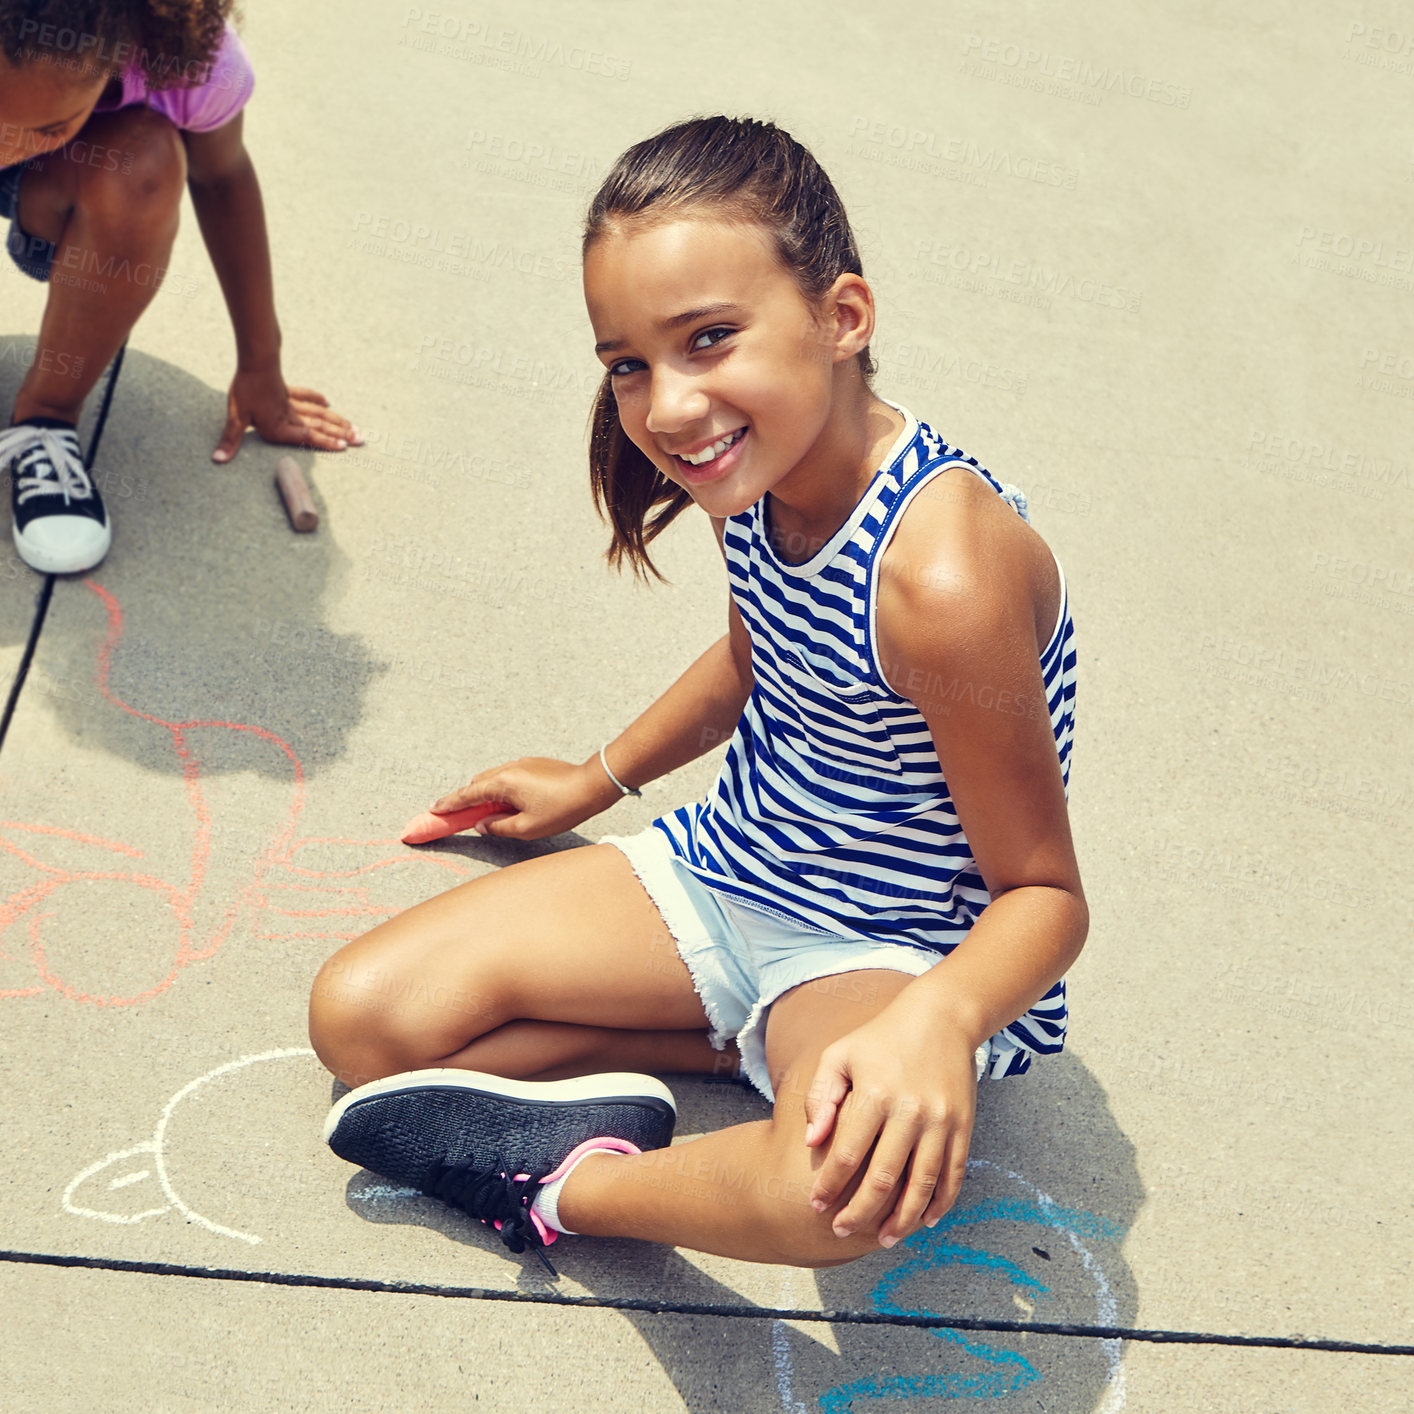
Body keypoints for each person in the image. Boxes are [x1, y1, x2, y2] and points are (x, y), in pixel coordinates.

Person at [309, 115, 1085, 1275]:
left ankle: (573, 1186)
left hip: (884, 945)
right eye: (627, 363)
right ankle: (757, 1050)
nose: (667, 406)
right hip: (732, 870)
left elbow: (1042, 895)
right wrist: (593, 776)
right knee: (364, 1019)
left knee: (833, 1198)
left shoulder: (944, 575)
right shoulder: (759, 478)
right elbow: (756, 655)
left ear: (842, 318)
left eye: (709, 338)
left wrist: (935, 1019)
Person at [0, 2, 359, 575]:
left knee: (142, 166)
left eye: (44, 124)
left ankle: (46, 419)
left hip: (59, 178)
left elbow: (222, 179)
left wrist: (260, 365)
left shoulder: (189, 64)